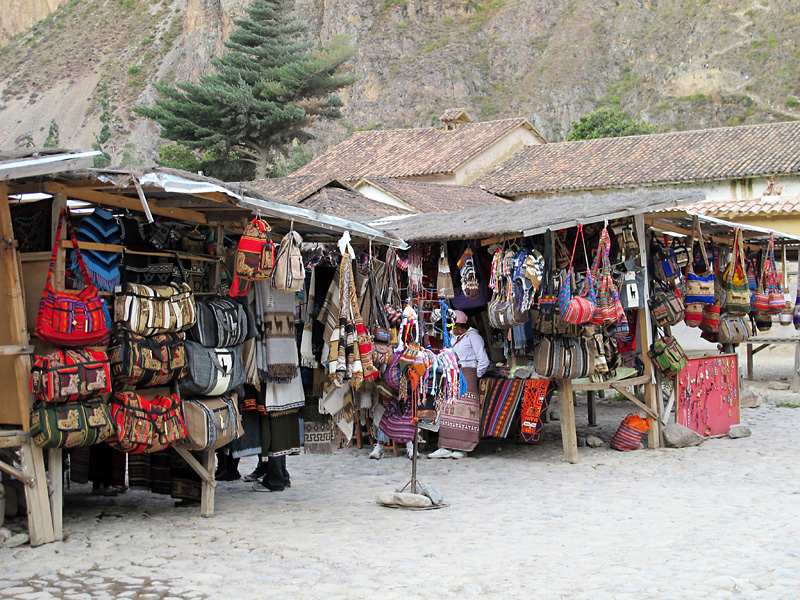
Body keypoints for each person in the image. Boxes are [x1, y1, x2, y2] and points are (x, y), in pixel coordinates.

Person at [429, 310, 490, 459]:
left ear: (459, 325)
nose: (450, 328)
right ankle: (445, 446)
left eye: (452, 325)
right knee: (448, 409)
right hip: (452, 375)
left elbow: (484, 360)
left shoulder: (473, 337)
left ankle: (462, 448)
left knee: (465, 411)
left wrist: (474, 375)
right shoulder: (453, 337)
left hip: (468, 375)